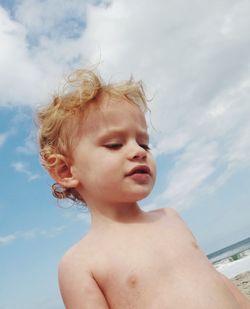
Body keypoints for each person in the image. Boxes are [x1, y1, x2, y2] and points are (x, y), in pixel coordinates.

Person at [37, 69, 250, 308]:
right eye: (114, 144)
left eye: (144, 144)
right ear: (65, 171)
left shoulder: (170, 218)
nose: (138, 151)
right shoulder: (80, 263)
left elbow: (216, 281)